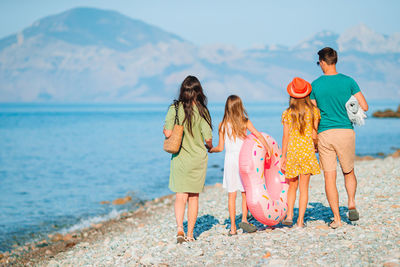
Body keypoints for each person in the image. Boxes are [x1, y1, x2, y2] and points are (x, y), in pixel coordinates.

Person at [311, 47, 368, 229]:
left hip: (325, 133)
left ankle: (336, 219)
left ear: (322, 62)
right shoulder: (348, 81)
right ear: (335, 60)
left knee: (329, 177)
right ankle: (351, 202)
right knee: (348, 171)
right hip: (345, 132)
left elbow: (314, 115)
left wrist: (314, 139)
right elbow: (364, 106)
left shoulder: (315, 85)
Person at [210, 95, 271, 235]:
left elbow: (220, 148)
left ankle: (232, 228)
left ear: (227, 107)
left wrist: (211, 150)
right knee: (245, 192)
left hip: (230, 161)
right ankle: (244, 219)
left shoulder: (223, 125)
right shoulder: (244, 121)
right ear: (240, 107)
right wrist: (267, 149)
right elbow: (258, 135)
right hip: (244, 160)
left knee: (232, 195)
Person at [163, 75, 213, 243]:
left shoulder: (174, 108)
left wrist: (165, 130)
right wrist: (210, 147)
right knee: (193, 197)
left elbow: (169, 133)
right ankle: (191, 234)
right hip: (198, 159)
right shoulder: (203, 110)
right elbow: (208, 139)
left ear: (183, 91)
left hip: (181, 158)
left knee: (180, 196)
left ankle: (179, 229)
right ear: (198, 92)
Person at [280, 77, 321, 228]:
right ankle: (300, 221)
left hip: (293, 152)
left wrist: (283, 156)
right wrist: (316, 146)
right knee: (304, 188)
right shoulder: (314, 111)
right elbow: (314, 134)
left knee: (292, 186)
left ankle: (290, 214)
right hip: (307, 152)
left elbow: (286, 137)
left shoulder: (287, 113)